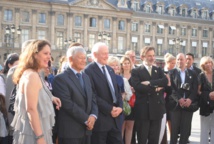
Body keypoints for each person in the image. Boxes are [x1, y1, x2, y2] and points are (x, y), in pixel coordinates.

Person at [11, 40, 61, 144]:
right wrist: (40, 137)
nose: (49, 57)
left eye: (50, 53)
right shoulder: (32, 76)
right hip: (35, 133)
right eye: (45, 53)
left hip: (34, 130)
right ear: (34, 54)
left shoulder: (33, 73)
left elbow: (37, 94)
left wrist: (51, 98)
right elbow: (31, 109)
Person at [52, 46, 98, 144]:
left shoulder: (86, 77)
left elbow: (92, 97)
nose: (84, 61)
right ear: (70, 59)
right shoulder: (60, 79)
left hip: (87, 131)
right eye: (80, 58)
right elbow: (67, 104)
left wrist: (93, 116)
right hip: (70, 132)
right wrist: (87, 119)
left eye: (85, 58)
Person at [84, 42, 123, 144]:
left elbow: (117, 91)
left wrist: (120, 107)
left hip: (115, 120)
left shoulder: (110, 69)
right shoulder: (88, 71)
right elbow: (92, 95)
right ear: (95, 55)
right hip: (101, 121)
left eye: (107, 53)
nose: (107, 56)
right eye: (104, 53)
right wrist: (110, 109)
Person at [130, 46, 168, 144]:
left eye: (153, 55)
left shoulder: (158, 70)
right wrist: (156, 88)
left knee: (154, 139)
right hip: (143, 111)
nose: (152, 58)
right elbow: (138, 87)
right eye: (149, 56)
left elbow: (164, 81)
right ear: (143, 57)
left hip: (156, 110)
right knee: (142, 139)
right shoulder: (136, 71)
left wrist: (150, 83)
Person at [5, 39, 36, 144]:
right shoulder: (14, 70)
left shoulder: (38, 71)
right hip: (20, 125)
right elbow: (9, 100)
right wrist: (12, 127)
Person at [168, 53, 198, 144]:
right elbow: (171, 89)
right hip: (175, 105)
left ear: (186, 60)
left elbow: (195, 88)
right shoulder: (171, 73)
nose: (179, 61)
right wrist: (179, 99)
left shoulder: (193, 73)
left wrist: (190, 100)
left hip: (188, 105)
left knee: (185, 130)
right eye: (178, 59)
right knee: (174, 130)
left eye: (181, 59)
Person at [160, 53, 176, 144]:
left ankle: (172, 140)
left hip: (173, 101)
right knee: (163, 122)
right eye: (172, 63)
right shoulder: (161, 72)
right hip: (163, 100)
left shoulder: (176, 72)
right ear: (167, 62)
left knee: (171, 121)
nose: (174, 65)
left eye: (175, 63)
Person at [198, 56, 214, 143]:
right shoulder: (201, 76)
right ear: (203, 65)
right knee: (204, 127)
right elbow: (198, 91)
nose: (209, 64)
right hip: (205, 104)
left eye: (210, 62)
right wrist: (208, 95)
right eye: (206, 63)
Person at [120, 56, 135, 144]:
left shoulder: (134, 76)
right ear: (121, 65)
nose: (126, 65)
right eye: (124, 63)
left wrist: (134, 89)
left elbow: (139, 87)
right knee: (122, 127)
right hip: (122, 104)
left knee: (130, 127)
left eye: (128, 63)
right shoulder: (119, 76)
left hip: (132, 104)